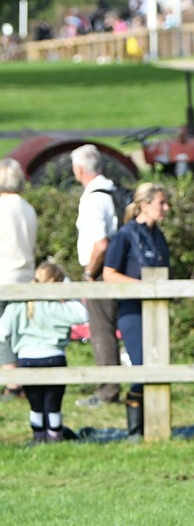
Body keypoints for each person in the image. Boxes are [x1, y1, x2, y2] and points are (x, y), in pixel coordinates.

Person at [102, 182, 171, 439]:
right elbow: (109, 274)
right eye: (161, 203)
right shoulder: (125, 235)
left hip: (158, 312)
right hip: (132, 310)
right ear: (145, 205)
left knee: (159, 366)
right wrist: (143, 287)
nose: (166, 208)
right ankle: (135, 430)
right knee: (143, 366)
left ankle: (155, 427)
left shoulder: (158, 235)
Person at [0, 261, 87, 444]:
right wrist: (69, 288)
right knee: (53, 404)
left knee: (35, 404)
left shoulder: (19, 306)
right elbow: (83, 314)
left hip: (27, 359)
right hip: (54, 357)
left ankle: (38, 436)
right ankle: (55, 435)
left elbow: (3, 331)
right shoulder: (59, 308)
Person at [71, 144, 122, 408]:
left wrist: (90, 273)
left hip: (101, 271)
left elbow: (100, 243)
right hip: (117, 267)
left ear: (79, 169)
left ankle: (108, 389)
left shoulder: (93, 198)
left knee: (101, 331)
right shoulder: (111, 190)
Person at [0, 158, 37, 401]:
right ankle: (22, 379)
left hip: (4, 275)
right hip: (26, 275)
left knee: (2, 331)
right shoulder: (27, 207)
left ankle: (12, 384)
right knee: (20, 331)